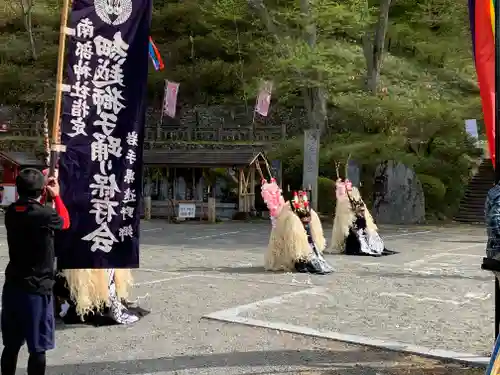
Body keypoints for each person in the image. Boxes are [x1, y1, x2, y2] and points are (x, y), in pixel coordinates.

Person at [1, 168, 70, 375]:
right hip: (37, 289)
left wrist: (44, 197)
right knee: (38, 347)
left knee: (11, 345)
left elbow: (35, 212)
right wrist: (56, 197)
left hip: (13, 286)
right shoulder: (45, 214)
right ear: (42, 190)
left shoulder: (11, 212)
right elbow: (65, 222)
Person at [264, 186, 333, 274]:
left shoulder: (306, 205)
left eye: (302, 193)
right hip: (296, 234)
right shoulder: (288, 206)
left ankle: (311, 256)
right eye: (299, 193)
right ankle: (299, 259)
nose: (301, 195)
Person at [327, 178, 396, 256]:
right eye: (346, 183)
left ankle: (375, 246)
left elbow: (362, 208)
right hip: (352, 226)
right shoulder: (343, 199)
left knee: (372, 234)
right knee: (358, 236)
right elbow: (344, 216)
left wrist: (360, 212)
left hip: (361, 222)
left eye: (349, 182)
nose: (349, 183)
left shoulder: (355, 194)